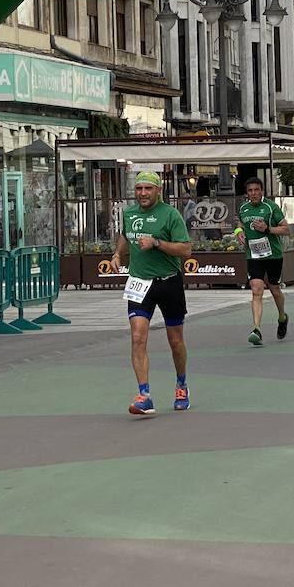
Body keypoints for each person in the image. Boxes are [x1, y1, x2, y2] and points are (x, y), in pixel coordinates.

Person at [110, 170, 193, 416]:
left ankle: (181, 385)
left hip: (168, 282)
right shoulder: (130, 214)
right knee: (137, 337)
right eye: (139, 189)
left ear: (158, 190)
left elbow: (186, 250)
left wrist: (157, 243)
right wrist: (117, 254)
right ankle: (144, 394)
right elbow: (126, 236)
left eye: (148, 189)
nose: (143, 193)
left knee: (175, 341)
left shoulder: (170, 215)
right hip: (139, 283)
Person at [236, 177, 291, 345]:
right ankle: (256, 329)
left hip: (273, 255)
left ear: (262, 191)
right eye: (250, 190)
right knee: (256, 289)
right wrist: (239, 231)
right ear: (247, 193)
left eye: (256, 190)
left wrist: (268, 229)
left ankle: (282, 317)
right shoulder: (243, 208)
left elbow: (286, 229)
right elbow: (240, 222)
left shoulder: (271, 207)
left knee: (274, 289)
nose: (253, 193)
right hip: (254, 255)